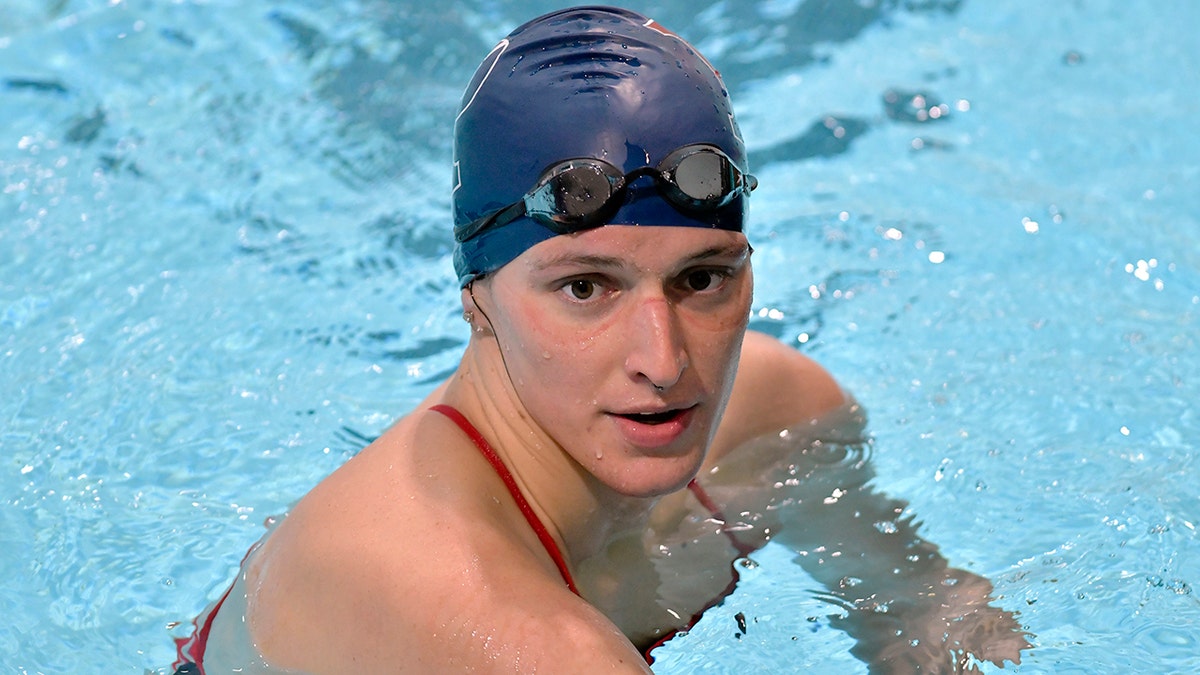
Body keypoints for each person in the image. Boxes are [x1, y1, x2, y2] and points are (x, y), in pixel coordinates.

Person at [174, 6, 1029, 673]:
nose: (663, 362)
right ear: (477, 301)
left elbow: (932, 618)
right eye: (586, 287)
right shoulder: (489, 618)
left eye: (702, 278)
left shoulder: (782, 415)